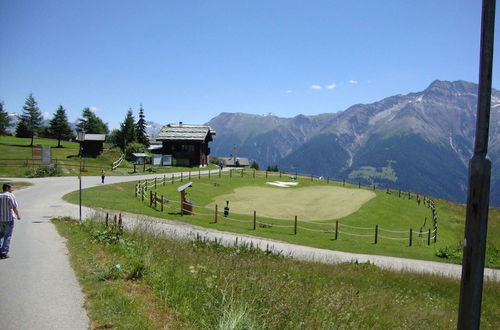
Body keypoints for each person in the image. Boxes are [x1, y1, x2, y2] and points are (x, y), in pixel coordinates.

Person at [0, 183, 21, 259]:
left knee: (1, 235)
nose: (12, 189)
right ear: (7, 188)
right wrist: (18, 215)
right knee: (7, 236)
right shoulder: (10, 196)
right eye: (11, 188)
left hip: (1, 219)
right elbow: (14, 207)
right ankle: (4, 253)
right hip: (8, 219)